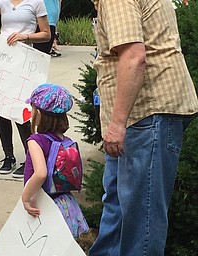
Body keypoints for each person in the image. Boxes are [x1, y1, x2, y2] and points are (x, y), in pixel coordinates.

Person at [88, 0, 198, 256]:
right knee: (118, 211)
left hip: (145, 116)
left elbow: (134, 57)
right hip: (145, 117)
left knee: (141, 224)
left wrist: (117, 124)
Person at [0, 0, 50, 178]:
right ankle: (8, 155)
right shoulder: (2, 1)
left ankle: (30, 156)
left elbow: (46, 34)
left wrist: (25, 36)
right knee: (1, 108)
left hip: (24, 61)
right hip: (4, 59)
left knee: (22, 111)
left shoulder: (36, 2)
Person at [21, 83, 89, 239]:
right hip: (67, 204)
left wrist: (25, 198)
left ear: (38, 113)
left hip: (44, 204)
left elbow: (40, 173)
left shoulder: (36, 141)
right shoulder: (67, 142)